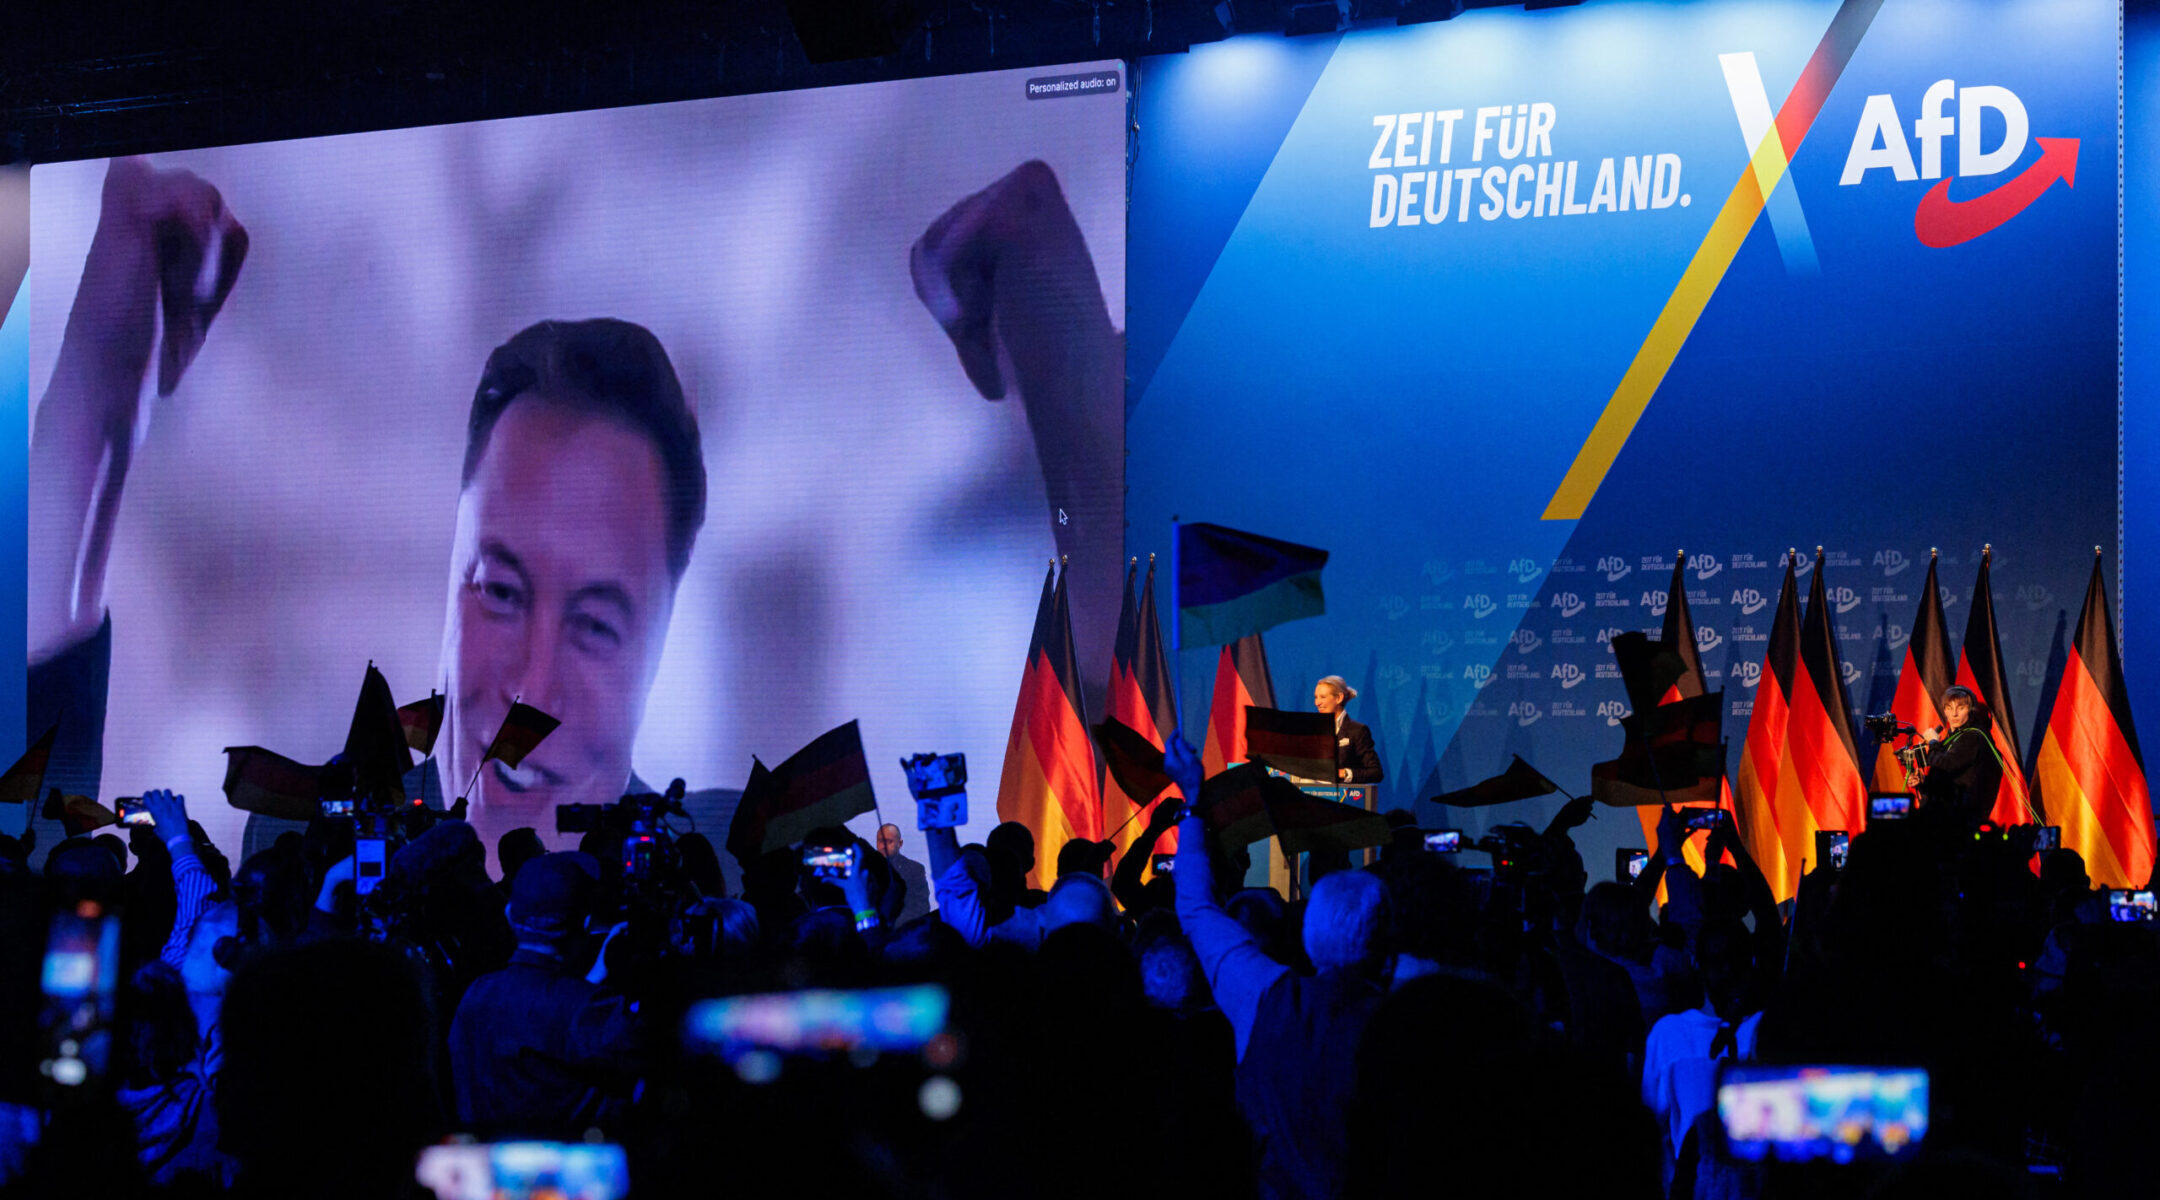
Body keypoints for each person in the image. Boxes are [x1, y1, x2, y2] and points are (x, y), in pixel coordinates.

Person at [447, 851, 640, 1136]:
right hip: (567, 1176)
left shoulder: (475, 994)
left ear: (510, 916)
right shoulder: (587, 1009)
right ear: (586, 923)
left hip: (484, 1170)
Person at [1914, 685, 2012, 828]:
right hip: (1947, 815)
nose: (1954, 714)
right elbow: (1949, 779)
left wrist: (1934, 743)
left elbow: (1945, 765)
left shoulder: (1972, 736)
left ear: (1970, 710)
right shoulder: (1956, 736)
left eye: (1960, 708)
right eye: (1949, 708)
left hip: (1958, 821)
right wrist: (1922, 783)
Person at [1313, 676, 1383, 786]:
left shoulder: (1357, 731)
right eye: (1316, 697)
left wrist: (1343, 773)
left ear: (1339, 698)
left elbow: (1375, 773)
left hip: (1341, 799)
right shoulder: (1313, 729)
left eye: (1322, 697)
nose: (1317, 703)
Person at [876, 822, 933, 925]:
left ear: (900, 844)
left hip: (902, 930)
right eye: (881, 841)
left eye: (889, 842)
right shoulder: (866, 868)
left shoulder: (914, 869)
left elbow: (921, 906)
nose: (884, 846)